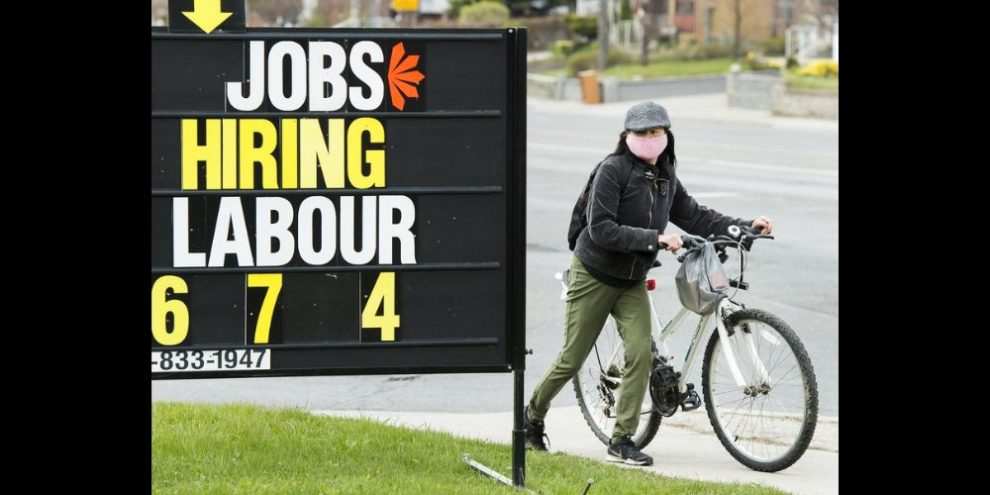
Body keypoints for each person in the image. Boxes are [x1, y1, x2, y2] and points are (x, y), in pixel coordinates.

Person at [523, 101, 773, 466]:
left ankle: (621, 439)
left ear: (667, 136)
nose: (649, 138)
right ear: (627, 137)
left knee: (640, 354)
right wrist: (655, 240)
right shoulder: (612, 170)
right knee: (571, 358)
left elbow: (694, 214)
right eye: (640, 132)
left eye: (656, 131)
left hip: (631, 280)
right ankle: (532, 418)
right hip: (594, 274)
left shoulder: (666, 174)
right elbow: (601, 228)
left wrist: (745, 226)